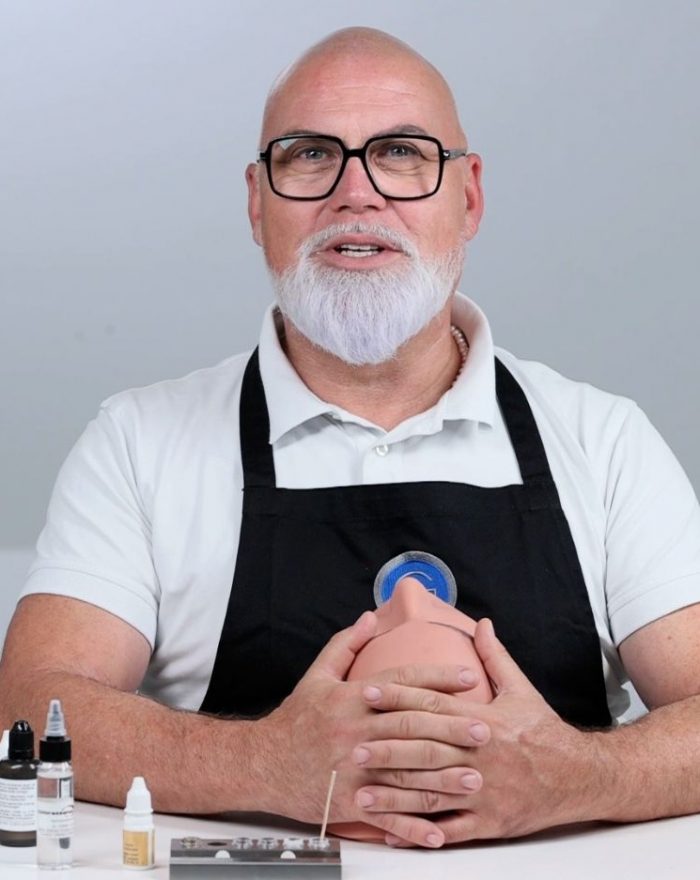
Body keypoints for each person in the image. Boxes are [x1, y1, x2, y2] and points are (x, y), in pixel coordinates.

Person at [2, 26, 700, 849]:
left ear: (468, 198)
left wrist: (578, 776)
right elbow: (31, 705)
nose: (356, 194)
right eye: (310, 156)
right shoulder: (139, 443)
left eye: (401, 153)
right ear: (257, 203)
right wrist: (264, 764)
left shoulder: (605, 441)